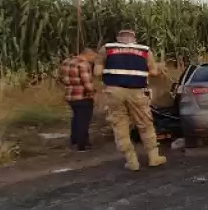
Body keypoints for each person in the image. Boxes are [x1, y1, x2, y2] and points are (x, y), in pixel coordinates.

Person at [94, 29, 167, 171]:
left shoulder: (107, 48)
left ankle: (131, 161)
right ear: (134, 39)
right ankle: (154, 157)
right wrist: (159, 69)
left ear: (118, 38)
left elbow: (97, 72)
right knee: (145, 124)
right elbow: (152, 72)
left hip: (114, 92)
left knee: (120, 125)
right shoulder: (145, 50)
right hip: (137, 92)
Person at [60, 48, 98, 151]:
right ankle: (82, 144)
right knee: (84, 120)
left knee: (76, 117)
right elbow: (87, 83)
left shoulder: (66, 62)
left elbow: (62, 78)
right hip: (82, 96)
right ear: (89, 55)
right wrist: (94, 93)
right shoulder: (83, 64)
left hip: (69, 95)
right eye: (94, 57)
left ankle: (74, 139)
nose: (93, 60)